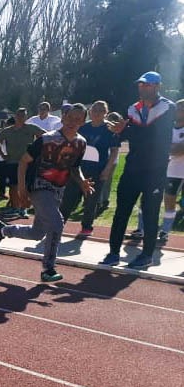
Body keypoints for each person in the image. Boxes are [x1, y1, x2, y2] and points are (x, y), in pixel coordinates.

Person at [0, 103, 91, 283]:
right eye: (70, 118)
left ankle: (3, 229)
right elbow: (23, 162)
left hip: (57, 190)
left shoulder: (81, 143)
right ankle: (48, 268)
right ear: (63, 118)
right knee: (57, 223)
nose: (72, 122)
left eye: (78, 119)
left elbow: (75, 167)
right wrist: (22, 189)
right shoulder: (46, 139)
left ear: (83, 122)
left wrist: (82, 181)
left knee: (38, 233)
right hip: (39, 186)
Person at [101, 71, 176, 269]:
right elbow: (130, 136)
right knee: (121, 212)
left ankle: (147, 255)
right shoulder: (132, 109)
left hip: (155, 171)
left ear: (158, 86)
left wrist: (128, 131)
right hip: (132, 169)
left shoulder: (168, 107)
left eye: (147, 85)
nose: (142, 88)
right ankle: (113, 252)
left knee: (150, 213)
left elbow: (155, 137)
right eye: (141, 85)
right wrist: (120, 132)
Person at [58, 100, 120, 236]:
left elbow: (114, 151)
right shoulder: (83, 127)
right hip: (78, 169)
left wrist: (107, 169)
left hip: (97, 171)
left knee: (91, 200)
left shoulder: (110, 130)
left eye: (100, 110)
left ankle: (87, 227)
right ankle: (58, 224)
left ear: (106, 113)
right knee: (68, 198)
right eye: (94, 110)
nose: (97, 113)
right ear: (89, 112)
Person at [0, 107, 45, 217]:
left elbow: (46, 137)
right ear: (15, 117)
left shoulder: (31, 128)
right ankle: (14, 207)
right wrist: (3, 155)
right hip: (12, 162)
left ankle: (23, 208)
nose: (21, 118)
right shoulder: (7, 131)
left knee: (26, 186)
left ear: (26, 117)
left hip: (27, 163)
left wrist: (37, 152)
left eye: (23, 116)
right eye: (19, 116)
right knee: (13, 186)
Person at [159, 99, 184, 242]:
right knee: (148, 199)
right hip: (161, 170)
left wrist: (168, 147)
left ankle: (165, 231)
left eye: (181, 108)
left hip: (178, 173)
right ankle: (141, 230)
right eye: (177, 108)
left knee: (169, 201)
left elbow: (178, 150)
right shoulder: (168, 128)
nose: (178, 110)